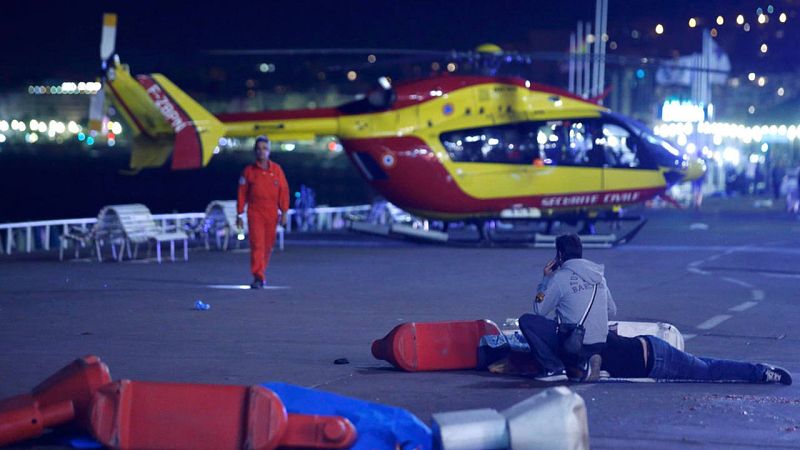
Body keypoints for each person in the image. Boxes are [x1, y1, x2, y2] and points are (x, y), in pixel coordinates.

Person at [518, 234, 617, 382]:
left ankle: (553, 367)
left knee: (527, 321)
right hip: (599, 345)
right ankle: (586, 363)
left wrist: (545, 281)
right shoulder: (599, 278)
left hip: (574, 345)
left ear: (560, 255)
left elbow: (539, 309)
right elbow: (612, 311)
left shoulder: (560, 278)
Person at [600, 331, 792, 385]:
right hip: (652, 352)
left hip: (656, 360)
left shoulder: (584, 345)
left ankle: (761, 372)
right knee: (706, 366)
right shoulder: (589, 330)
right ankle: (758, 371)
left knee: (708, 371)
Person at [237, 136, 289, 289]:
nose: (261, 152)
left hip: (272, 212)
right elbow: (241, 193)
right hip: (255, 211)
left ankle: (261, 272)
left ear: (269, 151)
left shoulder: (277, 170)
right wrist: (239, 214)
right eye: (259, 149)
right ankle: (258, 276)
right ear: (255, 151)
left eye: (264, 149)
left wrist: (284, 212)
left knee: (267, 245)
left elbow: (284, 191)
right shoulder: (248, 172)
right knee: (257, 244)